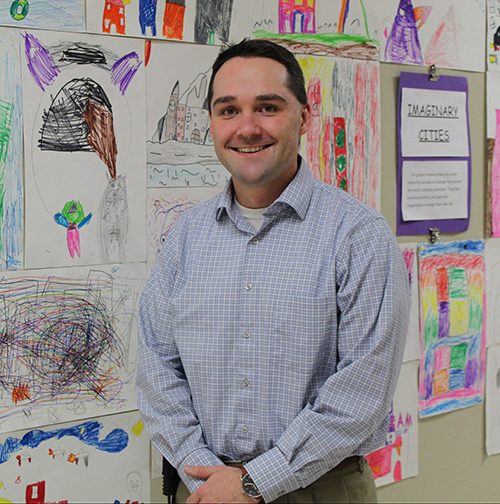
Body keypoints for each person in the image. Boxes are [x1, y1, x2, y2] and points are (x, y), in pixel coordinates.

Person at [137, 38, 410, 504]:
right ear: (211, 123)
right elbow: (156, 367)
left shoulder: (358, 236)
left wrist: (253, 480)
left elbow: (362, 394)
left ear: (303, 117)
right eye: (228, 110)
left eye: (267, 107)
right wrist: (201, 470)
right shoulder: (185, 238)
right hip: (204, 486)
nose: (246, 128)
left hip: (318, 488)